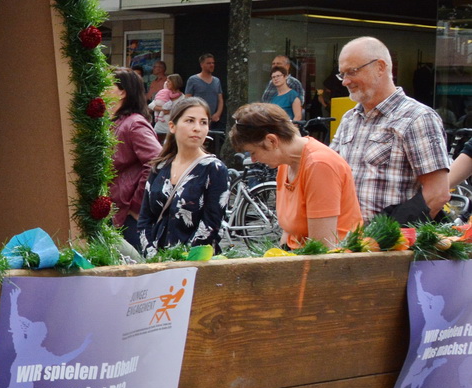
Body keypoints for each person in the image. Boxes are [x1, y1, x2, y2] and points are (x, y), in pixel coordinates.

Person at [330, 36, 449, 223]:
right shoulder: (349, 119)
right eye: (342, 74)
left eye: (352, 72)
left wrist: (384, 237)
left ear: (380, 67)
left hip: (388, 246)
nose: (345, 81)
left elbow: (437, 194)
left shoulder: (417, 117)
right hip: (345, 243)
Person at [232, 103, 360, 248]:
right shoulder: (285, 163)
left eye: (252, 152)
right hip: (301, 257)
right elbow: (288, 232)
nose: (253, 160)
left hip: (335, 261)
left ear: (272, 141)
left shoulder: (319, 165)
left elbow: (322, 246)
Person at [134, 97, 230, 254]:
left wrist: (183, 260)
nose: (197, 128)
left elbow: (212, 225)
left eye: (203, 122)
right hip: (157, 262)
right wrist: (151, 254)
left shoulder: (214, 169)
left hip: (195, 265)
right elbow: (145, 218)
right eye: (190, 121)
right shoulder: (159, 167)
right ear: (172, 126)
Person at [107, 67, 162, 239]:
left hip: (127, 218)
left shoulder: (134, 124)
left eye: (108, 84)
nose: (101, 88)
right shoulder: (113, 122)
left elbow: (157, 161)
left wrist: (137, 206)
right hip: (112, 211)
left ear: (123, 92)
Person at [184, 54, 224, 126]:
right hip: (197, 118)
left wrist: (218, 114)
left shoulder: (216, 81)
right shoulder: (193, 80)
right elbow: (187, 99)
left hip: (212, 120)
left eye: (213, 63)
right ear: (202, 65)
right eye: (208, 63)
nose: (212, 65)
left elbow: (220, 100)